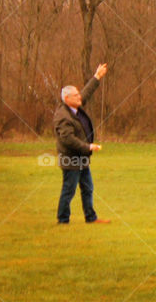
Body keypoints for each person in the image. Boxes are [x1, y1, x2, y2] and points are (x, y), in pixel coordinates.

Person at [54, 63, 110, 224]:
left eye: (79, 95)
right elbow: (68, 140)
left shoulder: (75, 107)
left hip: (81, 158)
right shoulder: (63, 116)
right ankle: (63, 219)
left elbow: (86, 93)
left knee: (87, 188)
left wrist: (97, 77)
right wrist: (88, 147)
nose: (80, 98)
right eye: (76, 96)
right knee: (69, 190)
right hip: (70, 159)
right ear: (67, 99)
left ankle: (91, 218)